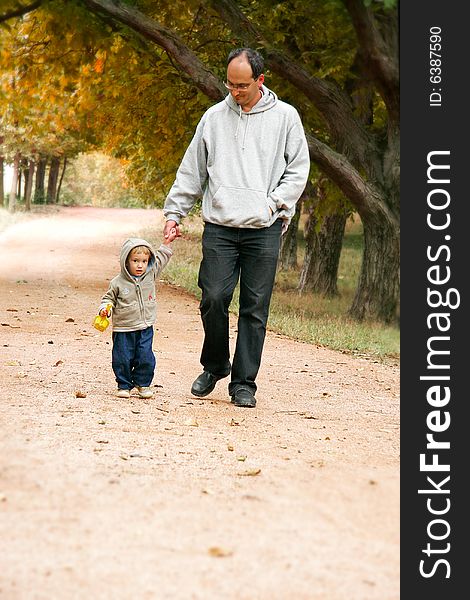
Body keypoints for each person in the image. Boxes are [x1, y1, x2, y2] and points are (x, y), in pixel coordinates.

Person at [163, 47, 310, 408]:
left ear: (261, 80)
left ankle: (244, 383)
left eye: (242, 85)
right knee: (213, 298)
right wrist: (174, 213)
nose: (235, 91)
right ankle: (214, 366)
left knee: (255, 307)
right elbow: (192, 170)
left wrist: (274, 204)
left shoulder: (286, 118)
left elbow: (298, 169)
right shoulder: (213, 118)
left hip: (264, 228)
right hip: (220, 226)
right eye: (229, 84)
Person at [97, 237, 173, 399]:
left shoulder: (150, 275)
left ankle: (143, 384)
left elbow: (161, 259)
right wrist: (105, 308)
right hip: (123, 328)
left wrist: (167, 243)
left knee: (145, 356)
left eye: (144, 261)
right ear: (126, 261)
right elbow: (108, 299)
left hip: (145, 326)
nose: (140, 265)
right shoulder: (117, 282)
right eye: (135, 261)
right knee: (122, 357)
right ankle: (124, 385)